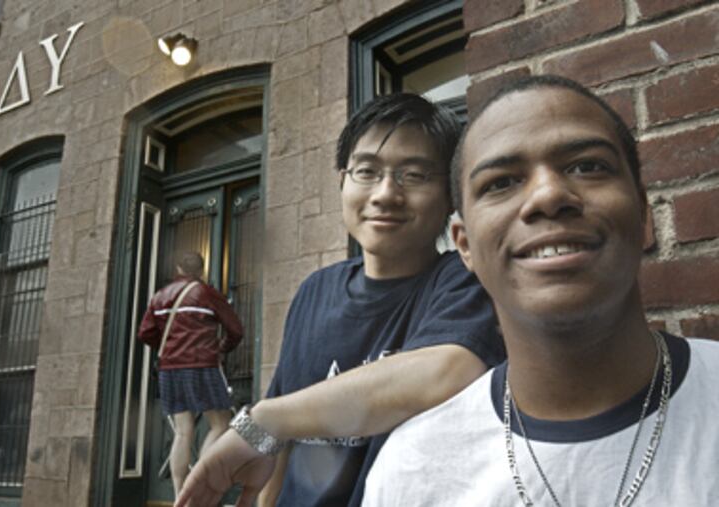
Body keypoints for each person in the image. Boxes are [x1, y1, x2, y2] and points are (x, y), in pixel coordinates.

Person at [363, 75, 719, 505]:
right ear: (464, 244)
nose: (549, 195)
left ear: (643, 213)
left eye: (588, 166)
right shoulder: (412, 471)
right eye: (500, 183)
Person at [175, 94, 505, 507]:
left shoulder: (463, 279)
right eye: (367, 171)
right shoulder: (315, 290)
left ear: (450, 197)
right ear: (342, 182)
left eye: (415, 175)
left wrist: (263, 420)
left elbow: (446, 370)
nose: (385, 194)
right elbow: (281, 443)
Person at [138, 251, 244, 498]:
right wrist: (221, 347)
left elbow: (145, 333)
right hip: (202, 365)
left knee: (182, 432)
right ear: (202, 270)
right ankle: (199, 483)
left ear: (178, 267)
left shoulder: (159, 297)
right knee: (220, 424)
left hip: (170, 369)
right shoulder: (207, 293)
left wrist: (170, 347)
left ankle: (179, 495)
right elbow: (235, 330)